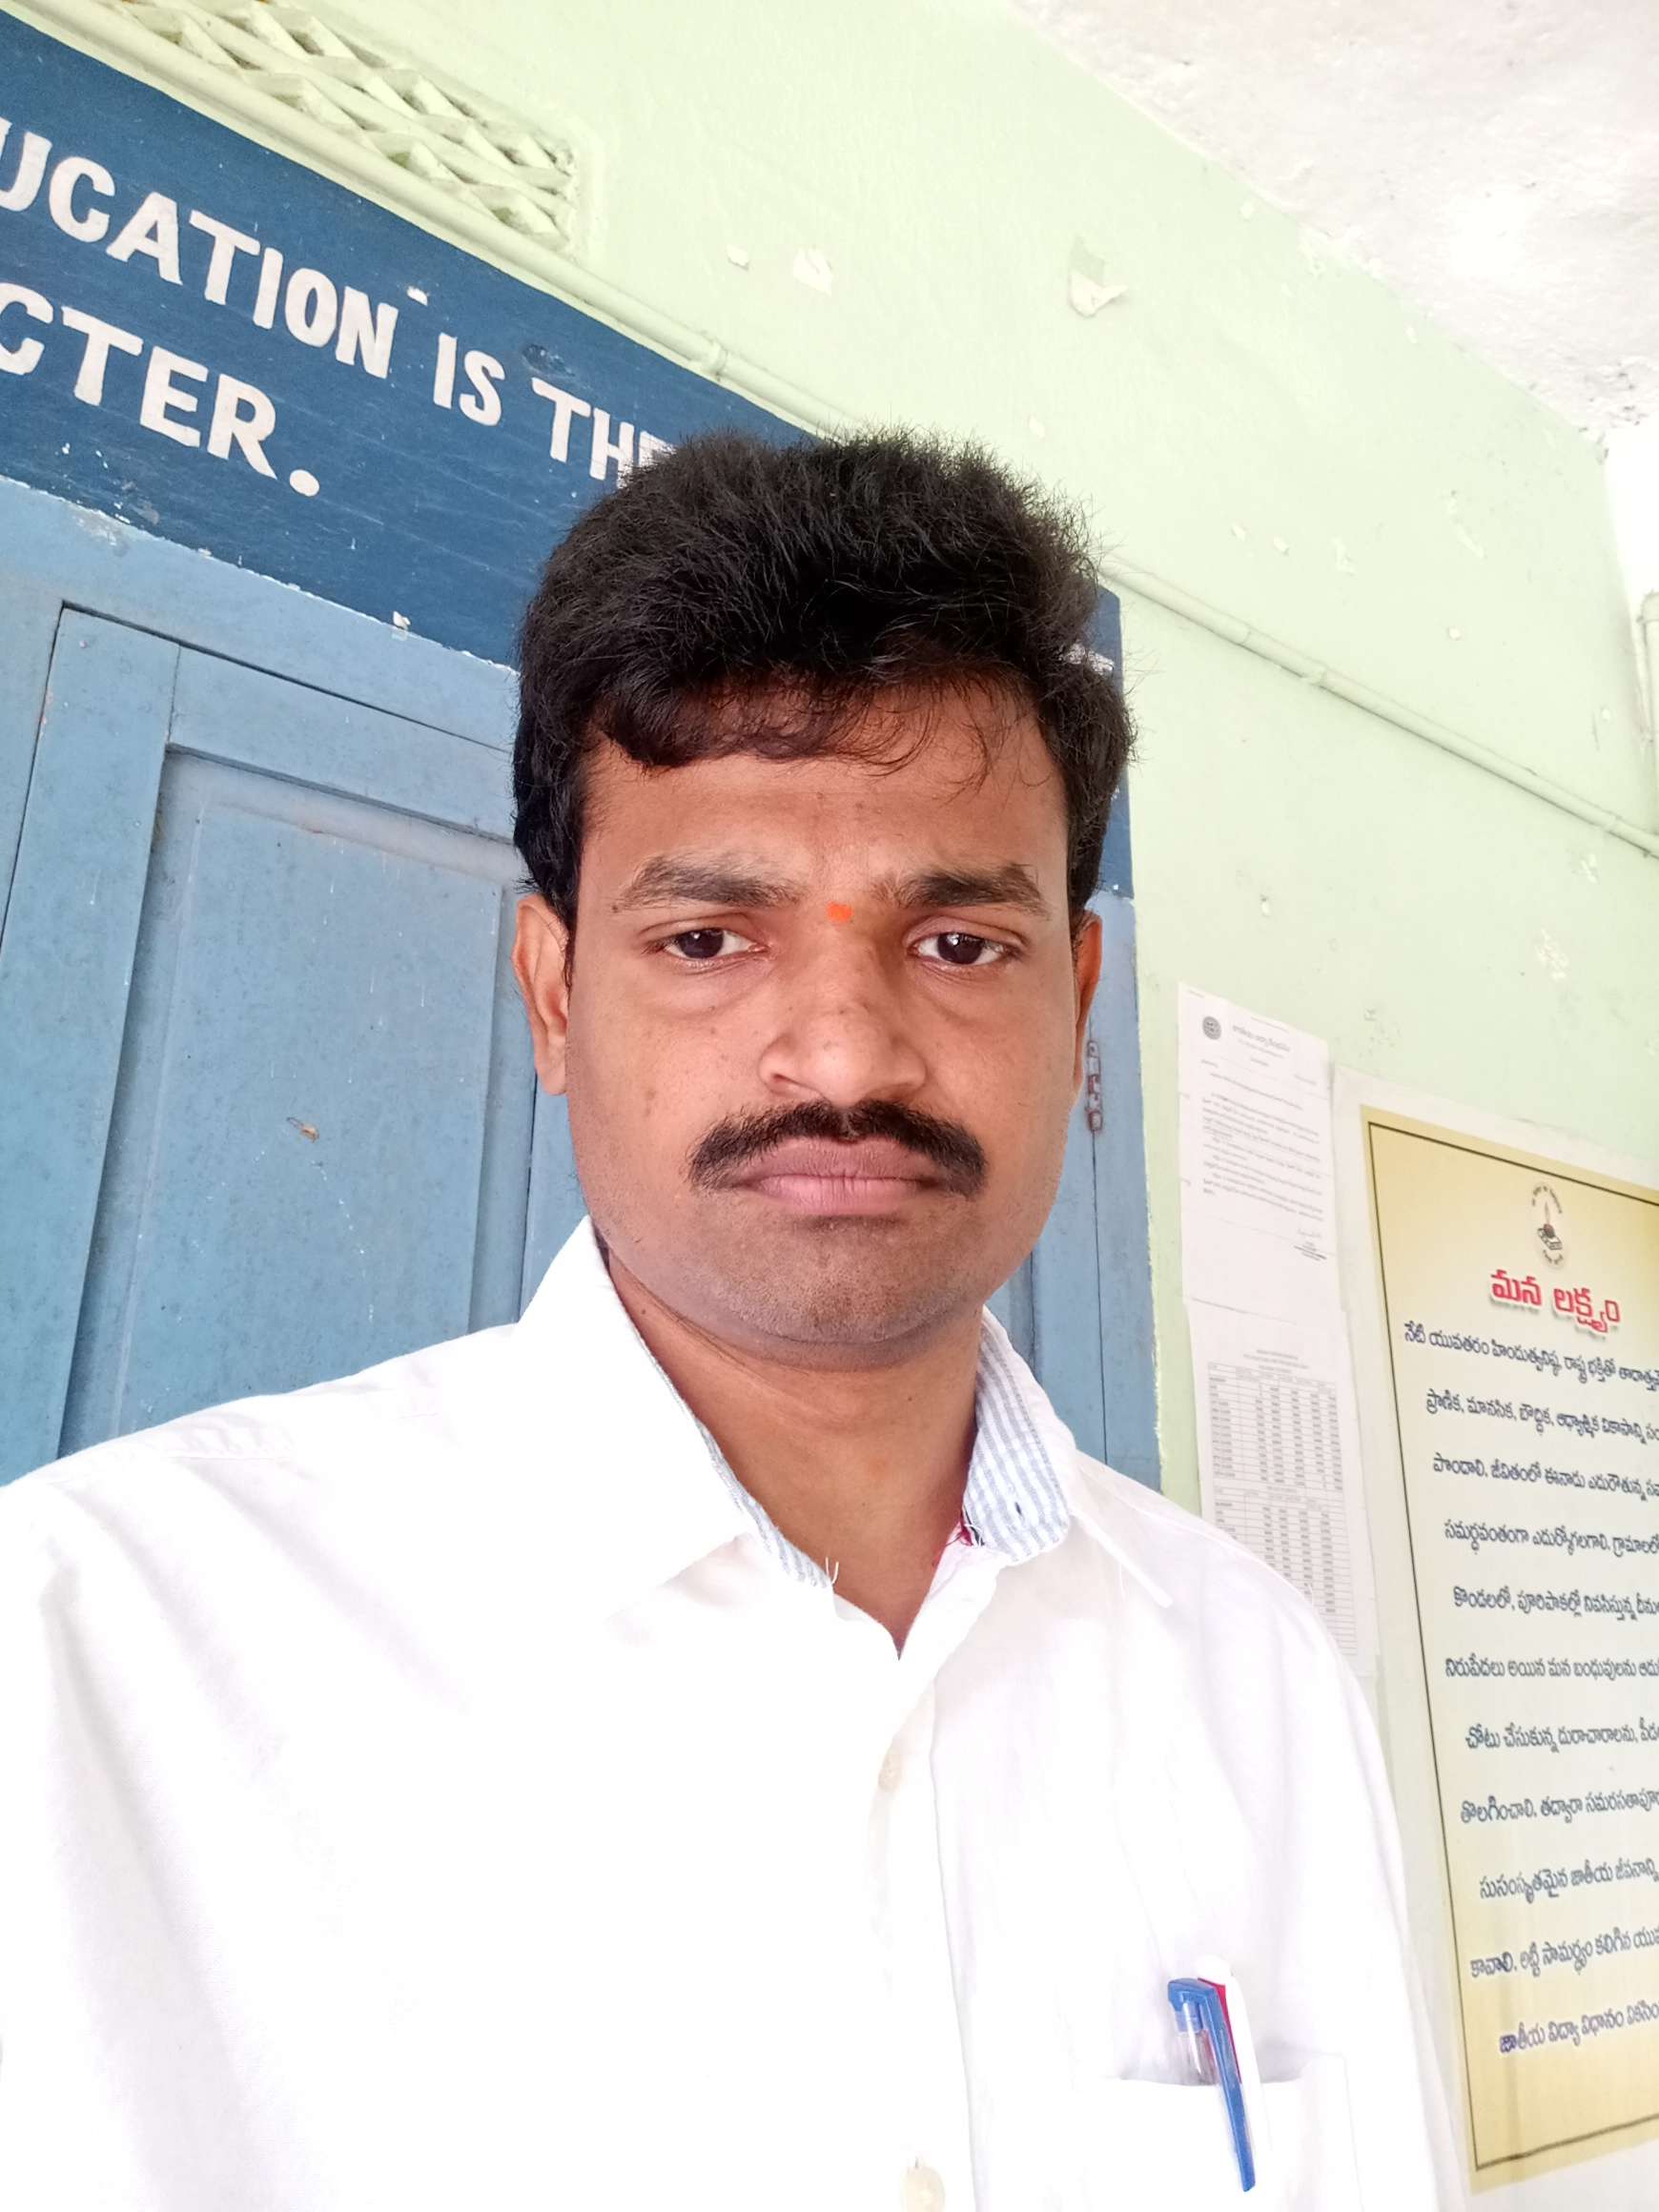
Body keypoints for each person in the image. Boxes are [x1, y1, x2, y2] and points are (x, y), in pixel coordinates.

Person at [0, 431, 1457, 2209]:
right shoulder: (84, 1664)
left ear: (1079, 1009)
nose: (842, 1054)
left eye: (959, 944)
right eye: (708, 940)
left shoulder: (1264, 1685)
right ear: (553, 996)